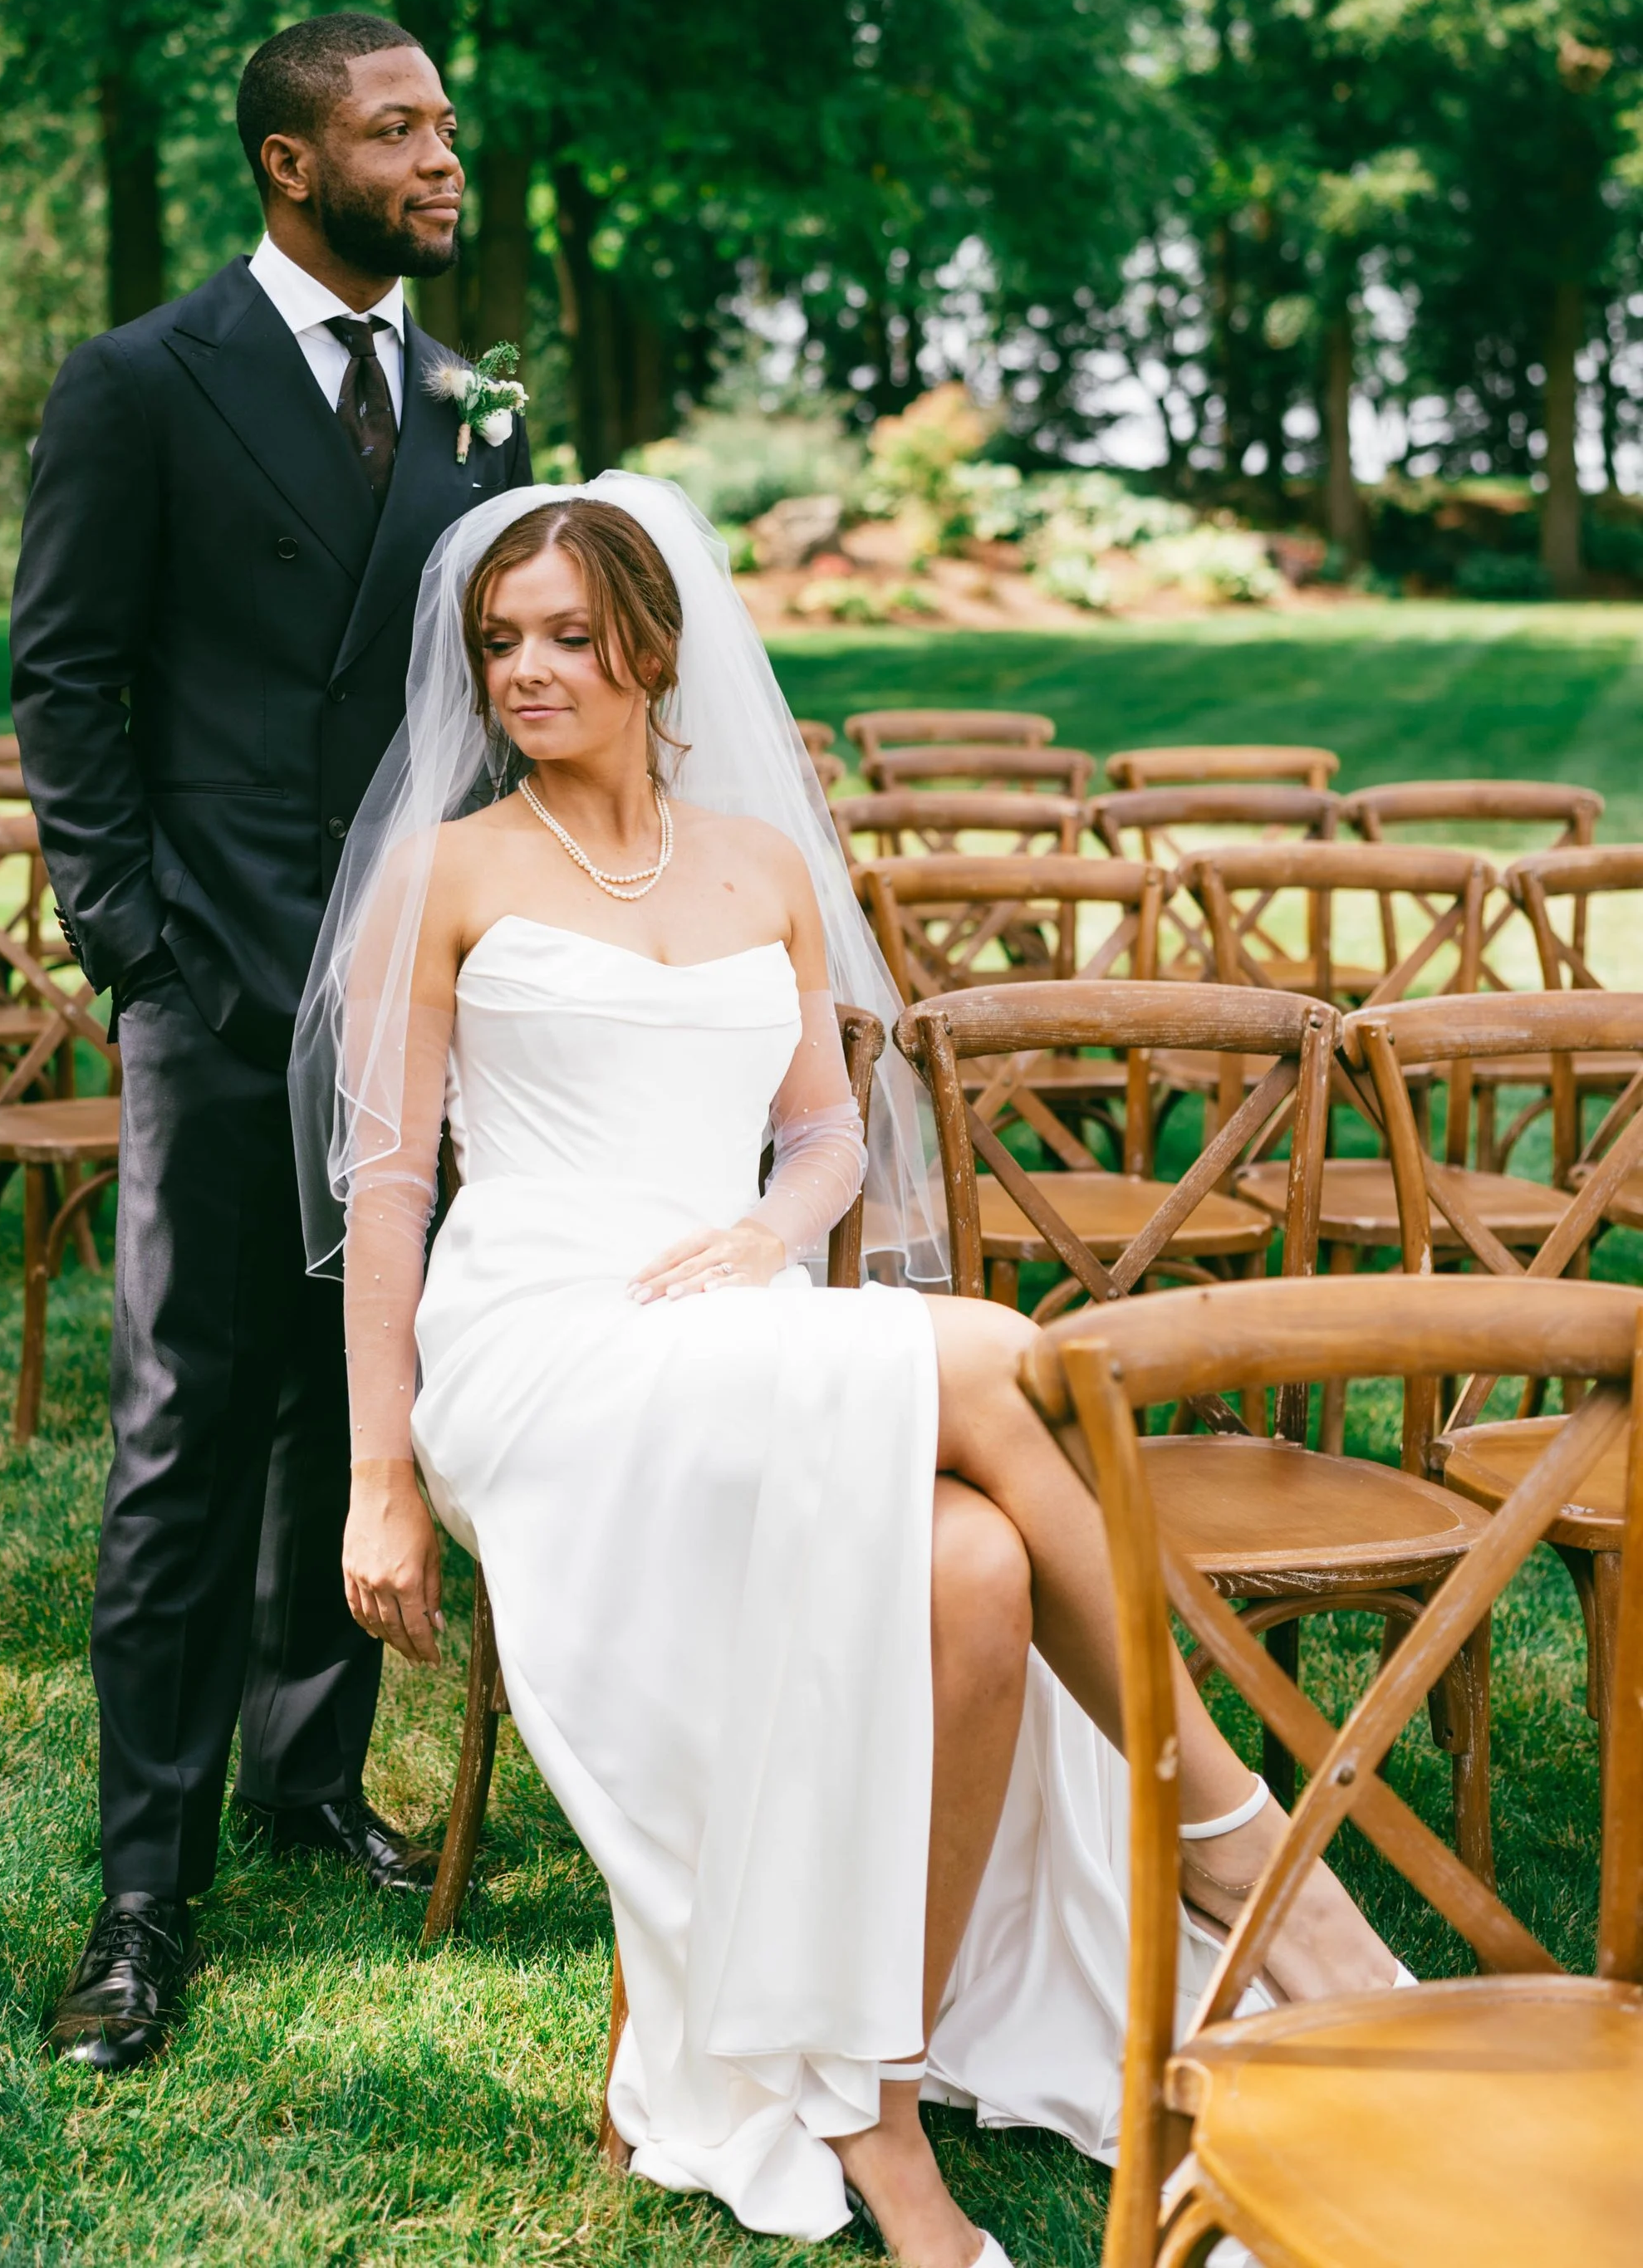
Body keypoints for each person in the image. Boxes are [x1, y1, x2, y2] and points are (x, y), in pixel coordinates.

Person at [292, 478, 1405, 2268]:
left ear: (654, 648)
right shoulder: (449, 870)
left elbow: (820, 1138)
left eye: (570, 635)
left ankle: (875, 2113)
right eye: (499, 641)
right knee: (997, 1357)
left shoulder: (761, 866)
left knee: (973, 1569)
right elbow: (389, 1186)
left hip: (723, 1306)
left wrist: (761, 1228)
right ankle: (1233, 1841)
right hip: (538, 1338)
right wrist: (378, 1474)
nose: (527, 670)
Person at [12, 11, 533, 2075]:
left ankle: (308, 1776)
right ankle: (144, 1887)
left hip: (413, 991)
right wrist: (141, 948)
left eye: (440, 120)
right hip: (220, 988)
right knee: (179, 1433)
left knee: (358, 1393)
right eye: (394, 126)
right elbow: (65, 677)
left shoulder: (462, 402)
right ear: (287, 162)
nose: (439, 150)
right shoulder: (143, 381)